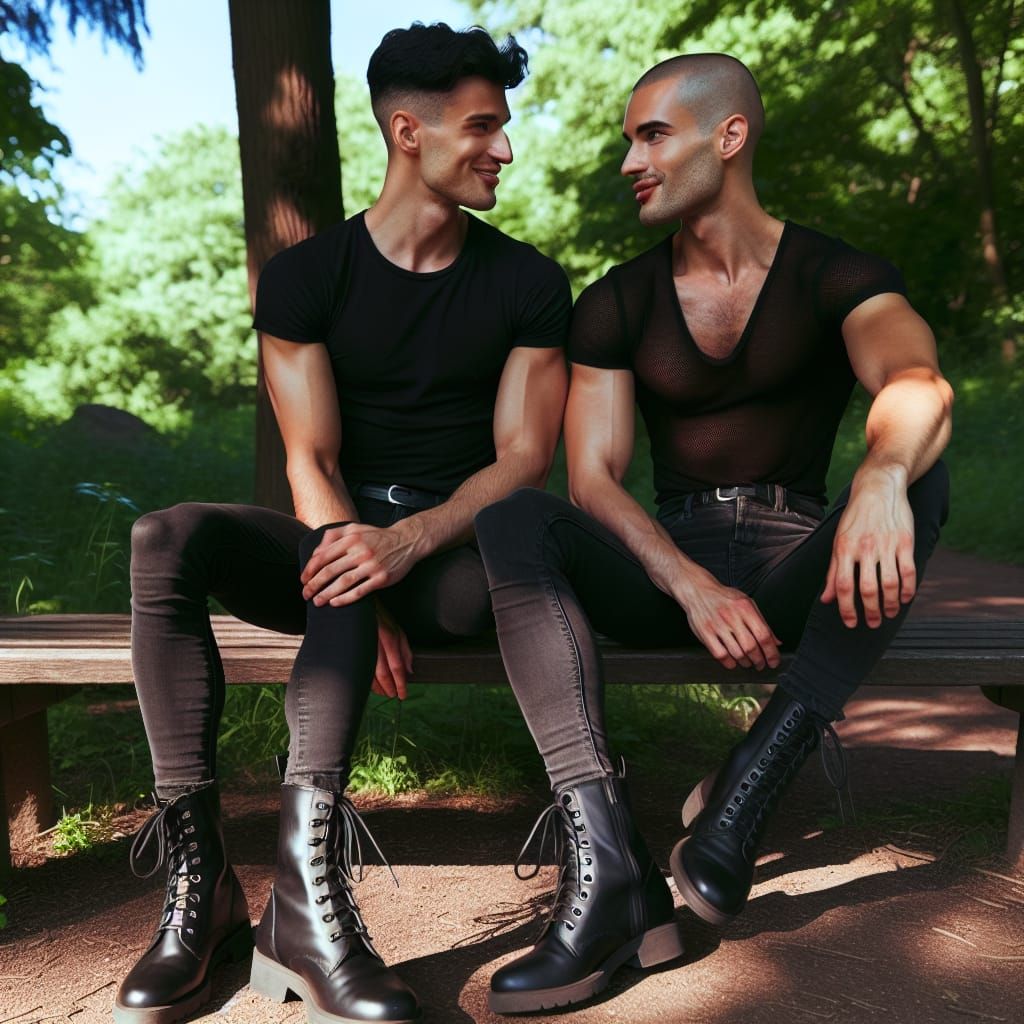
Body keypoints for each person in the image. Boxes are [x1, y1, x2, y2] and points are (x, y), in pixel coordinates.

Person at [474, 52, 951, 1013]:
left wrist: (884, 473)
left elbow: (916, 382)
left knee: (919, 478)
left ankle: (748, 789)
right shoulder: (617, 300)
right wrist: (689, 582)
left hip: (789, 563)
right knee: (516, 515)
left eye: (653, 136)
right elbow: (594, 479)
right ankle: (608, 864)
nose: (629, 162)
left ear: (728, 137)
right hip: (667, 567)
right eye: (628, 142)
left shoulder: (836, 272)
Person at [114, 23, 572, 1024]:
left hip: (455, 558)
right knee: (165, 536)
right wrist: (361, 585)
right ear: (407, 132)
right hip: (334, 546)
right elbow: (308, 460)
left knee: (393, 555)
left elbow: (523, 459)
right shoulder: (306, 277)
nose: (504, 148)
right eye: (482, 126)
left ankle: (307, 907)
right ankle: (202, 893)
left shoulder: (527, 283)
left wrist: (403, 546)